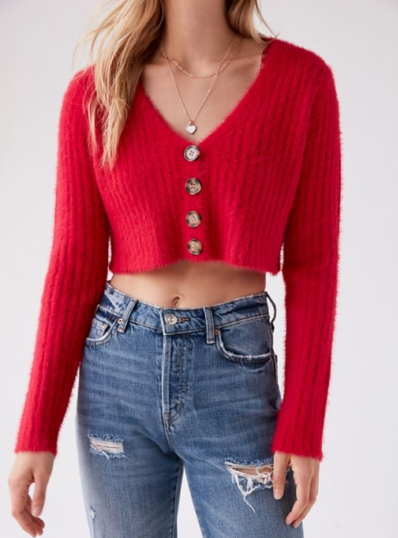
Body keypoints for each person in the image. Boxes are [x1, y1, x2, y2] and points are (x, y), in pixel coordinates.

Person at [8, 0, 342, 536]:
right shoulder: (97, 93)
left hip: (236, 370)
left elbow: (314, 267)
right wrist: (36, 433)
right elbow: (72, 269)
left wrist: (303, 426)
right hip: (117, 369)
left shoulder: (303, 83)